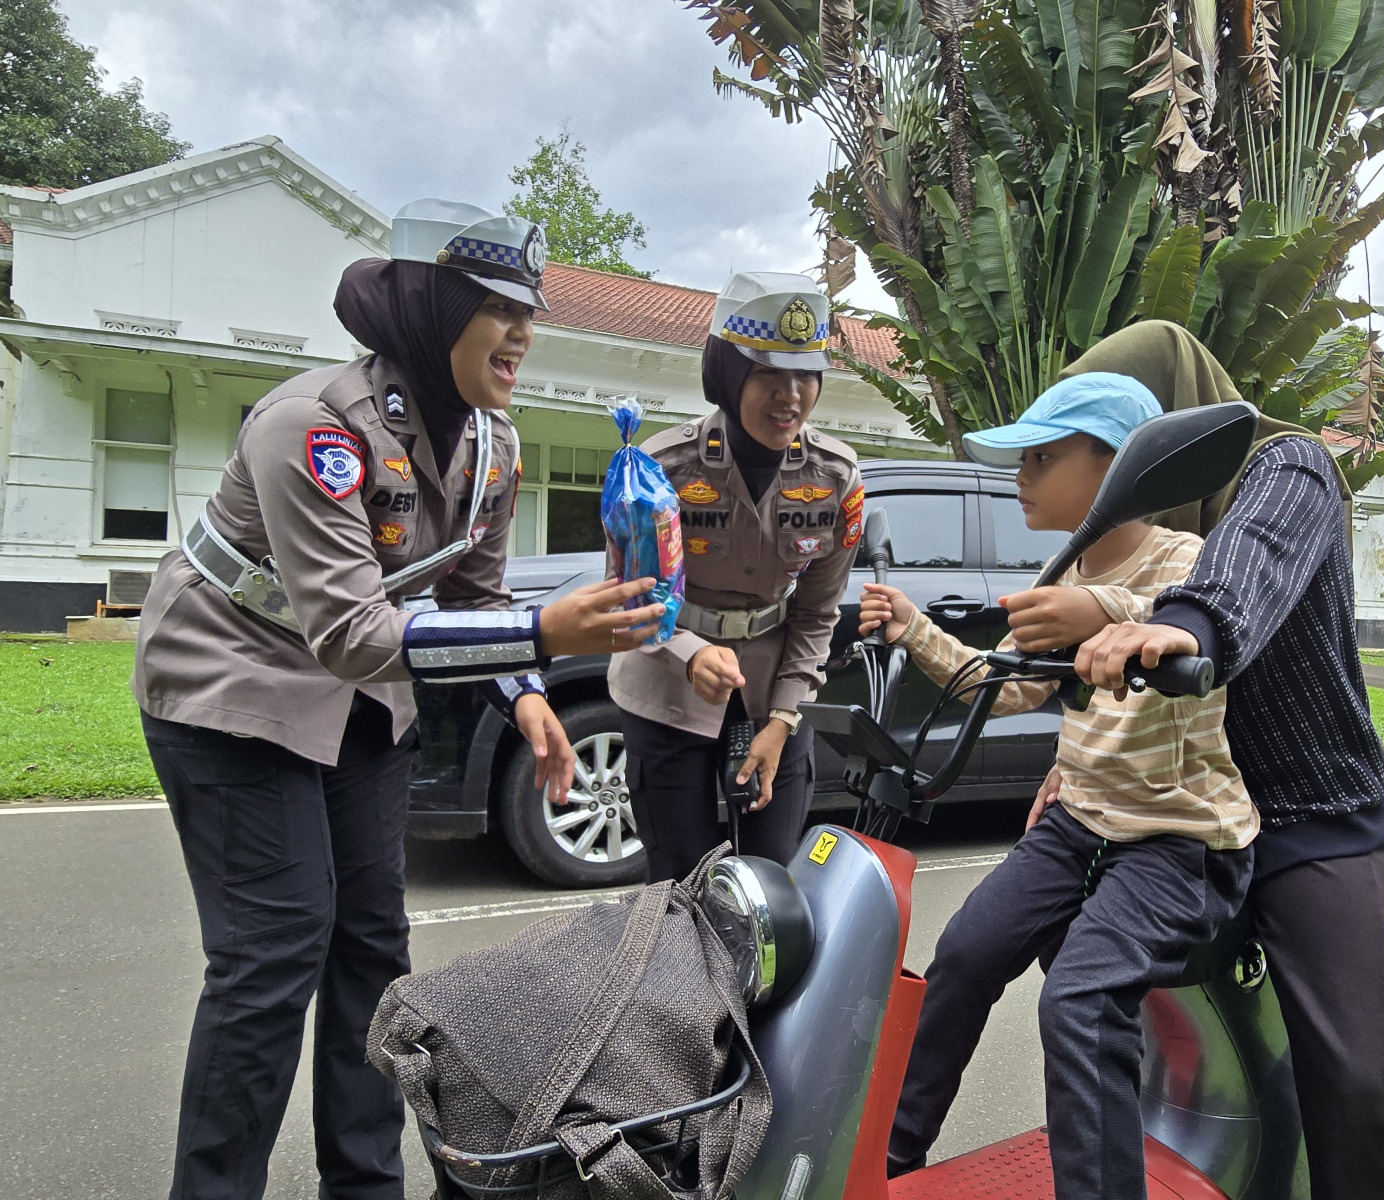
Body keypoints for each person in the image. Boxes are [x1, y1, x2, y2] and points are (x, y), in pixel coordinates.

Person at [133, 199, 664, 1200]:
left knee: (374, 951)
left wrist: (526, 697)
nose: (524, 331)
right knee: (273, 952)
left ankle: (365, 1187)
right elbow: (349, 634)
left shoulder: (494, 449)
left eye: (530, 309)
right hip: (230, 683)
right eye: (498, 307)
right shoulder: (312, 429)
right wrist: (548, 637)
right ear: (431, 308)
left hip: (364, 704)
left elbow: (475, 595)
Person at [1003, 320, 1384, 1200]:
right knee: (1051, 957)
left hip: (1309, 816)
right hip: (1180, 817)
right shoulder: (1123, 535)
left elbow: (1246, 567)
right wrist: (1067, 766)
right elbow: (1090, 684)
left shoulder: (1286, 468)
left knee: (1352, 1069)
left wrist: (1184, 627)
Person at [864, 373, 1258, 1200]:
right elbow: (1005, 685)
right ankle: (887, 1161)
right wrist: (912, 625)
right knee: (965, 954)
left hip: (1177, 841)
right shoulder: (1064, 565)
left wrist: (1098, 609)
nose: (1022, 476)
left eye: (1043, 457)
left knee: (1079, 1002)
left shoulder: (1184, 560)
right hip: (1078, 823)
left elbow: (1169, 610)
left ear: (1123, 469)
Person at [607, 272, 863, 882]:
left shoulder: (835, 478)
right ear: (727, 372)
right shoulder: (662, 470)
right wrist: (692, 652)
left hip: (776, 696)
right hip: (668, 692)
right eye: (769, 373)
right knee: (678, 886)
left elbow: (817, 612)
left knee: (770, 883)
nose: (791, 396)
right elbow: (632, 598)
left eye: (806, 374)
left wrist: (781, 720)